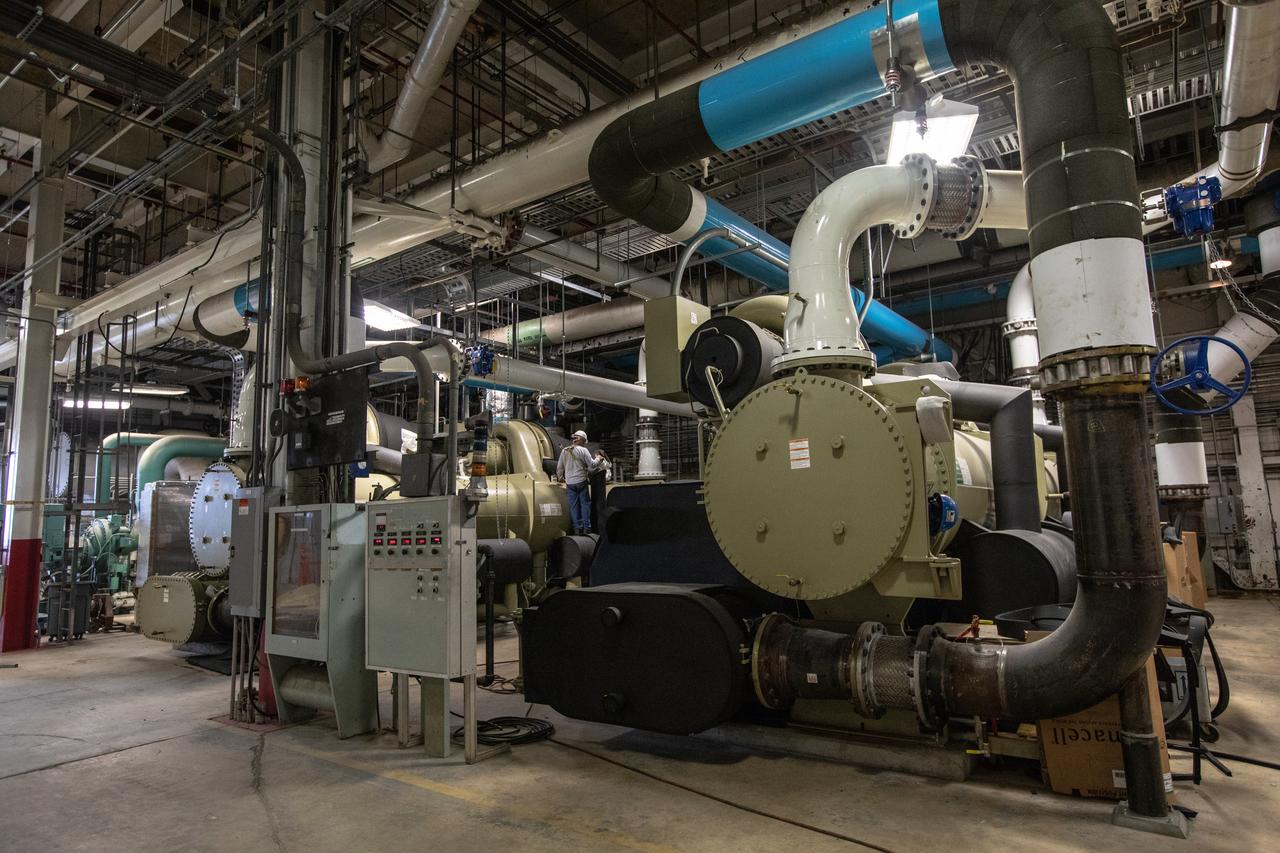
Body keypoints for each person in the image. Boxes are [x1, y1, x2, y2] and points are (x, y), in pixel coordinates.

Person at [556, 430, 605, 535]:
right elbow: (592, 465)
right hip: (581, 481)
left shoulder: (565, 450)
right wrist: (599, 459)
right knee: (585, 504)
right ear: (582, 440)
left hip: (570, 483)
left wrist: (560, 477)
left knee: (573, 506)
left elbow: (560, 467)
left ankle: (577, 529)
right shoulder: (583, 450)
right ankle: (587, 528)